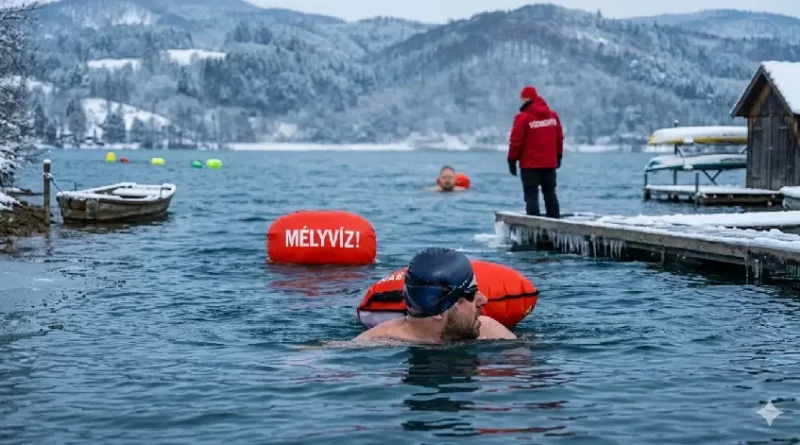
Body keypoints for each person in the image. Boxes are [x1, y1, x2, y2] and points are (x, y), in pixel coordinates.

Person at [353, 247, 517, 343]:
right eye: (472, 293)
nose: (484, 300)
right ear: (438, 308)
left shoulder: (489, 330)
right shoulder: (376, 344)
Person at [507, 85, 564, 218]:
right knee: (550, 193)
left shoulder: (523, 118)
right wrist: (559, 155)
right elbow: (559, 138)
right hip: (549, 164)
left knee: (531, 194)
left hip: (529, 165)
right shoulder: (553, 116)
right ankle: (555, 221)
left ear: (526, 99)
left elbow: (516, 141)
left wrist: (511, 160)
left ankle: (534, 225)